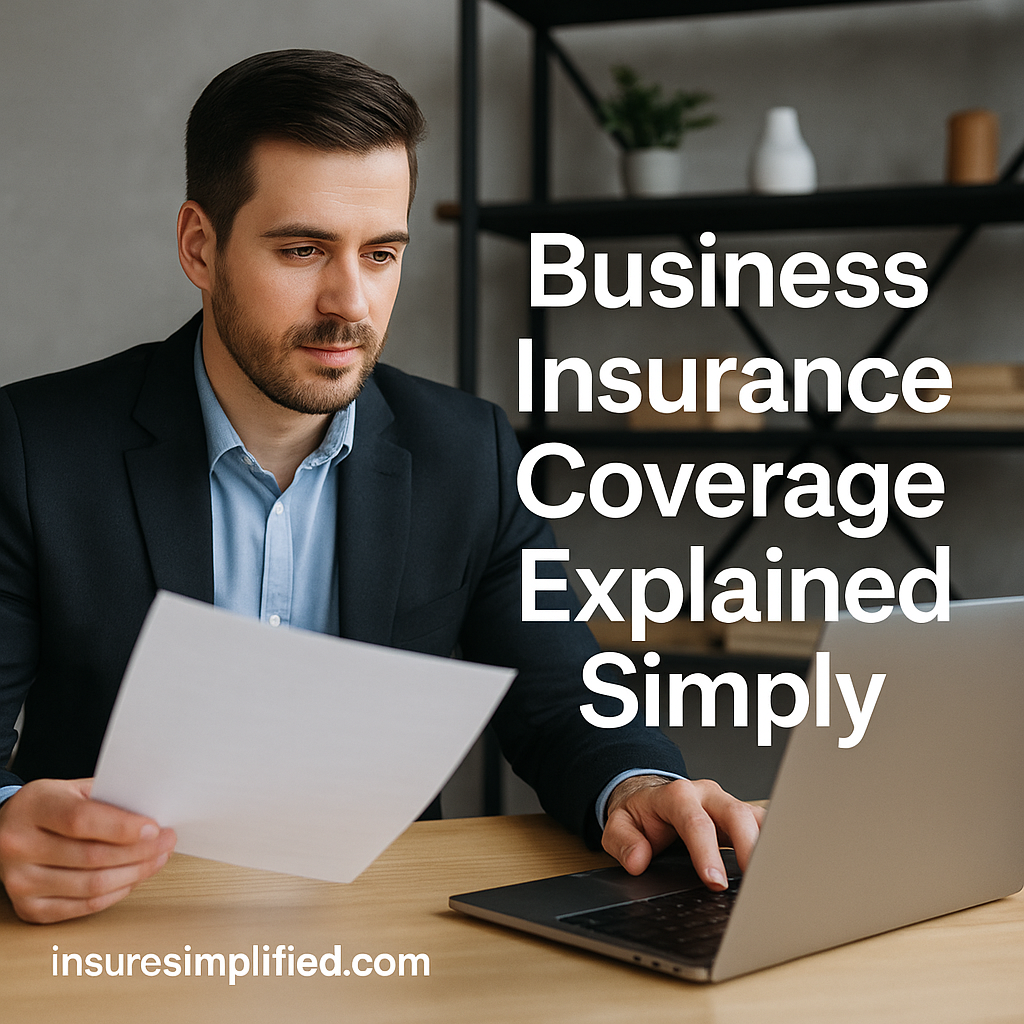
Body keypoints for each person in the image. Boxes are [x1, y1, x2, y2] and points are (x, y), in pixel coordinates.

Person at [0, 50, 763, 924]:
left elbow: (561, 698)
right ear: (199, 246)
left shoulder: (468, 452)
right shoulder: (31, 447)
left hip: (379, 933)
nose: (350, 303)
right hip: (119, 933)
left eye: (382, 252)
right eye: (302, 249)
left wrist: (640, 783)